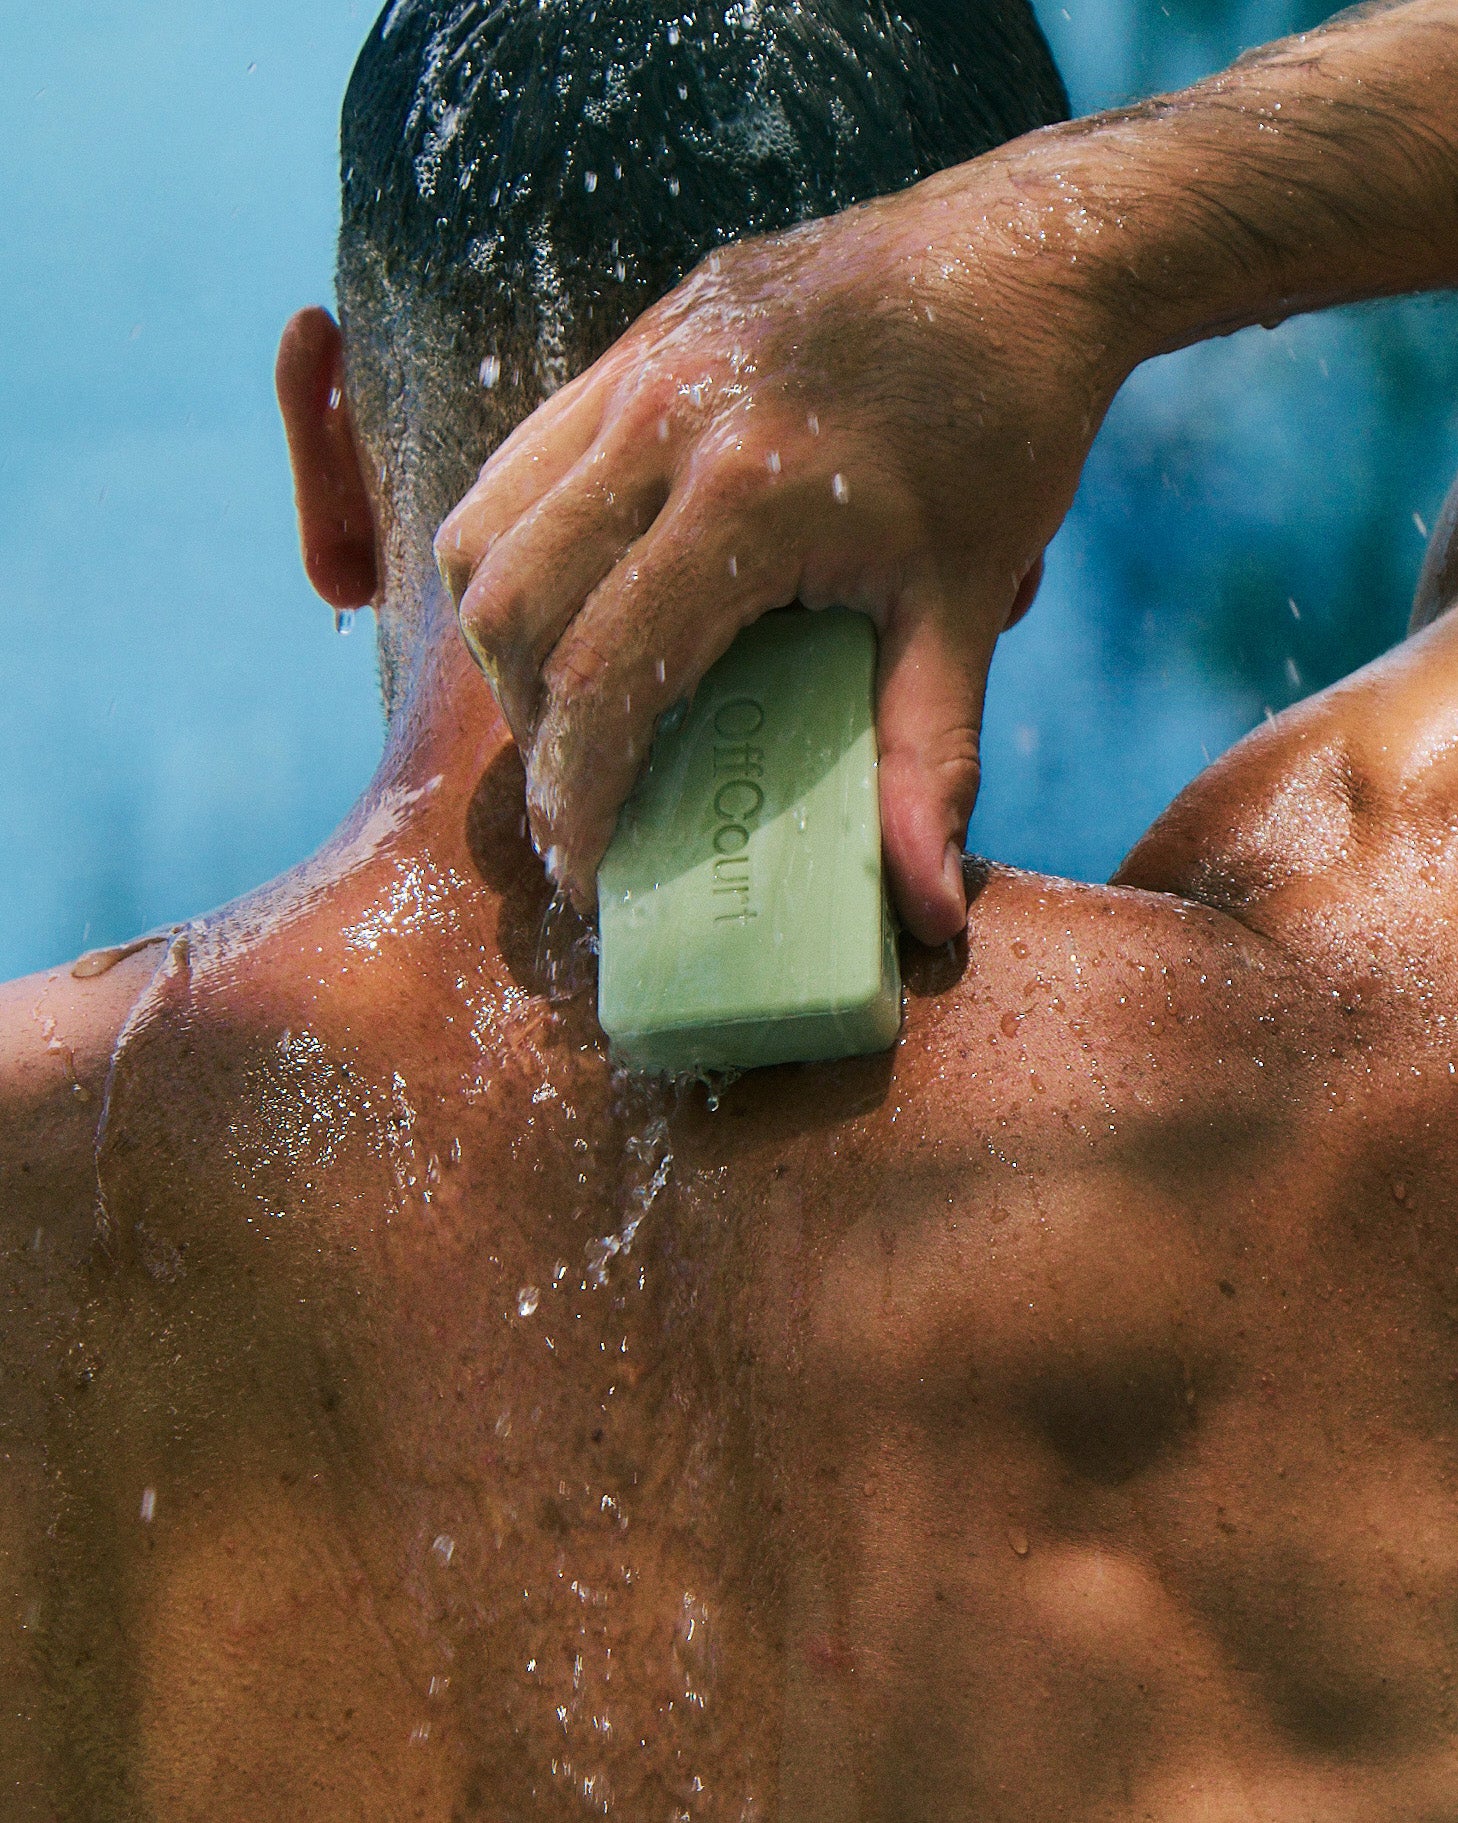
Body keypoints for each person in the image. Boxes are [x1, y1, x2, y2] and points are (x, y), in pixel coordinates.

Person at [3, 0, 1458, 1816]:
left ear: (329, 456)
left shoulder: (47, 1181)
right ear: (1018, 494)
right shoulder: (1371, 1065)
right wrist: (1075, 252)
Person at [436, 0, 1458, 946]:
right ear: (1016, 548)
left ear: (322, 461)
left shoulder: (277, 1102)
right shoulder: (1324, 978)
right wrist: (1048, 248)